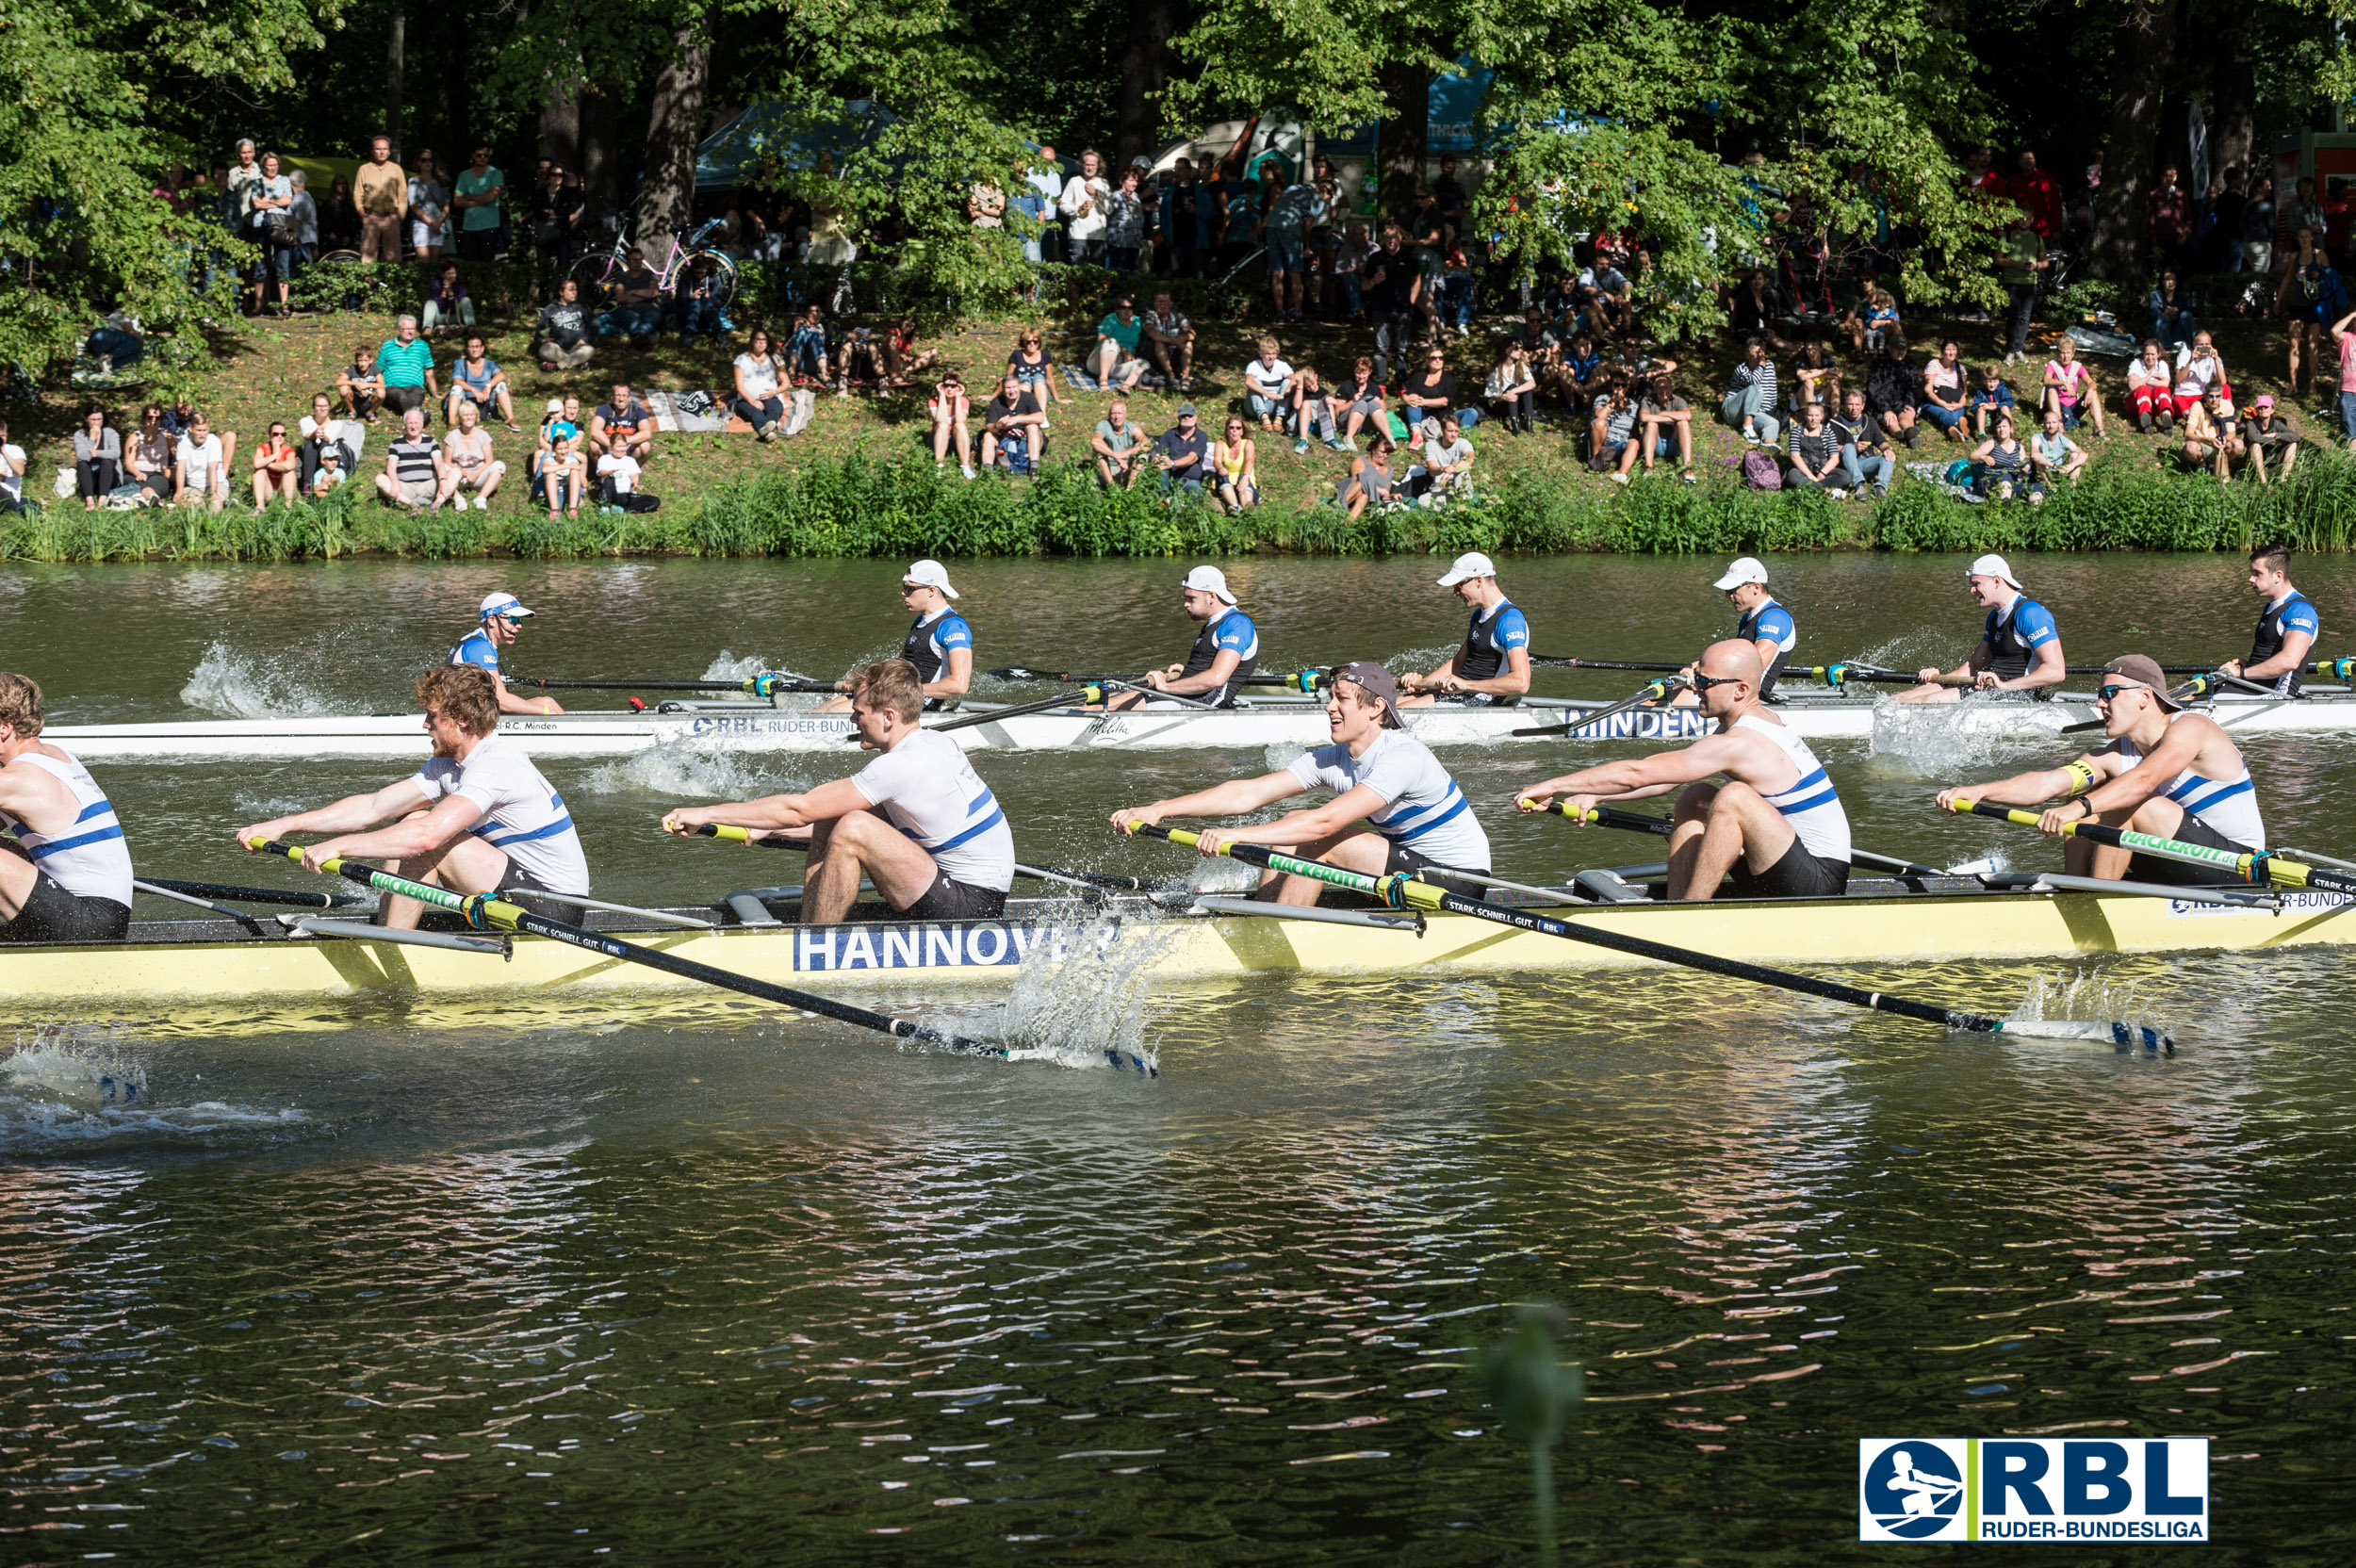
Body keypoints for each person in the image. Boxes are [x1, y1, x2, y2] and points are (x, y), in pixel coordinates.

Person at [1112, 661, 1493, 905]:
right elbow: (1248, 793)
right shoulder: (1333, 759)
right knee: (1292, 820)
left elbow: (1325, 824)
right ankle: (1266, 914)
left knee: (1318, 834)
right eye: (1330, 697)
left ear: (1376, 708)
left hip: (1456, 883)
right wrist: (1160, 808)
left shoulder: (1404, 756)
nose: (1329, 706)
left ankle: (1282, 931)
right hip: (1411, 869)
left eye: (1341, 699)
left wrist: (1237, 837)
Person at [238, 663, 587, 927]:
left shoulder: (497, 765)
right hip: (511, 893)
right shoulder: (448, 764)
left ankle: (394, 946)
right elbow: (373, 807)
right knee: (408, 818)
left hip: (552, 910)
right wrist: (283, 825)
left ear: (461, 720)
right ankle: (390, 928)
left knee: (424, 831)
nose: (425, 725)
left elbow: (426, 837)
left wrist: (338, 846)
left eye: (432, 716)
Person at [1517, 639, 1851, 900]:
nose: (1695, 688)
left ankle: (1692, 912)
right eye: (1696, 678)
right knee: (1697, 796)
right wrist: (1593, 795)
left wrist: (1553, 785)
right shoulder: (1741, 726)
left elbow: (1639, 772)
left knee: (1733, 797)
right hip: (1779, 863)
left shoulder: (1744, 741)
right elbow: (1661, 781)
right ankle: (1679, 905)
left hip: (1817, 881)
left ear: (1741, 690)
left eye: (1705, 681)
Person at [1933, 654, 2263, 890]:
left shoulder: (2192, 728)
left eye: (2109, 695)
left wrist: (2078, 808)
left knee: (2122, 800)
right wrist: (1979, 791)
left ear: (2145, 697)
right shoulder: (2116, 755)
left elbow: (2143, 781)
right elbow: (2047, 783)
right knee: (2086, 799)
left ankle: (2096, 900)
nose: (2100, 705)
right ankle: (2076, 894)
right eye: (2099, 696)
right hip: (2182, 860)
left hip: (2237, 867)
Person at [0, 673, 134, 942]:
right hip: (97, 913)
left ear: (4, 727)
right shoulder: (55, 755)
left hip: (89, 923)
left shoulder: (18, 779)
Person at [1895, 554, 2065, 703]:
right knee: (1900, 699)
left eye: (1976, 584)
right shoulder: (1994, 617)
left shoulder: (2030, 613)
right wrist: (1940, 679)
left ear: (1996, 580)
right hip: (1987, 691)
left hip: (2014, 697)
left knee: (1928, 701)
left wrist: (2004, 686)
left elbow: (2056, 671)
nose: (1972, 590)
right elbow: (1975, 665)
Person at [815, 561, 975, 716]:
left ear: (931, 591)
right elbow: (899, 665)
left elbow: (958, 685)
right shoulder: (920, 621)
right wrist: (866, 678)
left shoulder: (953, 627)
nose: (903, 593)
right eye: (904, 587)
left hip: (912, 703)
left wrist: (903, 688)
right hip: (897, 696)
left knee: (833, 713)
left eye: (909, 588)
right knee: (826, 708)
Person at [1099, 565, 1258, 713]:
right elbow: (1211, 666)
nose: (1185, 604)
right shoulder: (1215, 623)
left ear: (1211, 596)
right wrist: (1187, 673)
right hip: (1193, 697)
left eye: (1191, 599)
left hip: (1206, 703)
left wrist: (1164, 686)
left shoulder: (1238, 625)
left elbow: (1216, 679)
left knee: (1101, 709)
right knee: (1099, 702)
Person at [1399, 553, 1530, 707]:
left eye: (1458, 586)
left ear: (1478, 581)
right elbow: (1457, 664)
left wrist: (1465, 685)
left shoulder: (1509, 620)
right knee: (1386, 705)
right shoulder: (1479, 614)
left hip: (1478, 699)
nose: (1455, 593)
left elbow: (1521, 682)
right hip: (1457, 692)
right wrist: (1421, 685)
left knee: (1390, 715)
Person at [2214, 542, 2318, 697]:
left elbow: (2290, 661)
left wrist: (2240, 673)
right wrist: (2249, 666)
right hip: (2254, 686)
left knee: (2180, 705)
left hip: (2275, 695)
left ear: (2278, 576)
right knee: (2178, 695)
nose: (2250, 579)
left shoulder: (2300, 611)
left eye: (2257, 573)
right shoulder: (2272, 606)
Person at [446, 591, 562, 715]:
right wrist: (547, 712)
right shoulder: (480, 648)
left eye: (520, 620)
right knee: (547, 706)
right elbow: (502, 701)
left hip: (465, 711)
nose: (519, 626)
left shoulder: (475, 640)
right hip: (459, 719)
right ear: (492, 620)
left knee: (547, 702)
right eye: (513, 619)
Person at [377, 406, 450, 513]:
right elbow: (391, 467)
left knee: (455, 472)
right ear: (405, 425)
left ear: (422, 424)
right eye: (410, 423)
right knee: (380, 478)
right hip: (405, 487)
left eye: (416, 423)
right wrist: (395, 483)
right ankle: (412, 505)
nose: (413, 426)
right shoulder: (396, 443)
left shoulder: (431, 441)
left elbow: (439, 464)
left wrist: (442, 481)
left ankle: (436, 505)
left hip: (429, 485)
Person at [1827, 386, 1894, 497]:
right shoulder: (1835, 423)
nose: (1854, 408)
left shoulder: (1870, 421)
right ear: (1845, 406)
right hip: (1846, 463)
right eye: (1850, 404)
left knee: (1888, 457)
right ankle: (1859, 485)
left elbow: (1880, 441)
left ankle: (1880, 487)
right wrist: (1853, 447)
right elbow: (1830, 446)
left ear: (1862, 406)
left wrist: (1888, 449)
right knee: (1848, 447)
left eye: (1857, 405)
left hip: (1866, 461)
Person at [1997, 217, 2047, 361]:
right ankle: (2010, 350)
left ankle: (2019, 348)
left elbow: (2045, 262)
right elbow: (1998, 259)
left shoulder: (2037, 239)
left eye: (2027, 218)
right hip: (2012, 281)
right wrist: (2015, 264)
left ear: (2032, 220)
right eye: (2021, 218)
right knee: (2012, 316)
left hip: (2030, 282)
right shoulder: (2008, 236)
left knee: (2025, 317)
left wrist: (2035, 266)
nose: (2023, 222)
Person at [353, 135, 408, 265]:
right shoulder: (364, 169)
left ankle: (393, 284)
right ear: (373, 151)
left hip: (391, 217)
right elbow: (357, 192)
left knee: (394, 256)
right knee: (368, 256)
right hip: (371, 217)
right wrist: (361, 211)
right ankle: (368, 284)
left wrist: (400, 216)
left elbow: (403, 194)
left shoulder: (396, 169)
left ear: (389, 151)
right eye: (378, 149)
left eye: (384, 149)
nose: (382, 152)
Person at [444, 333, 515, 431]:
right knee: (456, 389)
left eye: (477, 346)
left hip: (486, 401)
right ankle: (452, 423)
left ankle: (510, 419)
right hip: (467, 402)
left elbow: (501, 375)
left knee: (501, 385)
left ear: (482, 348)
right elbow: (456, 381)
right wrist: (474, 390)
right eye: (471, 347)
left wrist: (488, 386)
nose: (474, 350)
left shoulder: (489, 363)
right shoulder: (460, 363)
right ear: (467, 349)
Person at [443, 400, 503, 512]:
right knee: (441, 467)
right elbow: (446, 461)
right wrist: (459, 470)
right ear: (460, 418)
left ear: (476, 417)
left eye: (471, 415)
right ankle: (457, 498)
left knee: (499, 466)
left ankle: (481, 498)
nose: (469, 418)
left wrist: (476, 474)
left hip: (478, 476)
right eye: (465, 415)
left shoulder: (483, 435)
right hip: (458, 477)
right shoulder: (453, 436)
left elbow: (489, 461)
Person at [981, 372, 1046, 474]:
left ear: (1019, 386)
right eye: (1008, 388)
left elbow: (1040, 417)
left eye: (1014, 387)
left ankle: (1033, 467)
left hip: (1026, 438)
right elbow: (989, 426)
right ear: (1003, 389)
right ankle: (987, 469)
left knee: (1032, 427)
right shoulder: (996, 402)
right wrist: (999, 426)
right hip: (1005, 438)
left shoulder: (1028, 397)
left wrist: (1017, 419)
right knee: (988, 435)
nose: (1012, 391)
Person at [298, 392, 362, 494]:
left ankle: (323, 483)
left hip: (328, 453)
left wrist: (323, 435)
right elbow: (307, 436)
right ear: (313, 407)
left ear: (329, 407)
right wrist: (314, 434)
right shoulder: (305, 421)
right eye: (319, 406)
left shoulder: (336, 424)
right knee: (311, 444)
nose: (322, 409)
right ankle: (307, 484)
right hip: (311, 452)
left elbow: (330, 440)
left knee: (324, 444)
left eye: (324, 406)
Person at [2038, 336, 2103, 436]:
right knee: (2051, 389)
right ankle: (2059, 426)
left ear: (2073, 354)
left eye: (2068, 353)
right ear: (2058, 354)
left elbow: (2092, 383)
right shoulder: (2053, 365)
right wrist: (2064, 383)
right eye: (2063, 353)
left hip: (2073, 407)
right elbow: (2046, 380)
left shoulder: (2077, 367)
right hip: (2057, 405)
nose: (2065, 356)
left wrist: (2090, 390)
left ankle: (2099, 429)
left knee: (2093, 392)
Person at [376, 316, 436, 420]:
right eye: (407, 329)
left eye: (412, 329)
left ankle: (412, 415)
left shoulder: (422, 346)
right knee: (401, 396)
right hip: (393, 387)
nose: (410, 332)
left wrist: (435, 394)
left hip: (415, 388)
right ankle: (420, 417)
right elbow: (378, 371)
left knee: (415, 399)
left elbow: (429, 373)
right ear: (399, 330)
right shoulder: (387, 346)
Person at [1722, 338, 1781, 445]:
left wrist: (1770, 412)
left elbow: (1771, 392)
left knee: (1773, 423)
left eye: (1762, 351)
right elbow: (1754, 382)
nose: (1760, 355)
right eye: (1756, 352)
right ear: (1747, 354)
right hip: (1733, 411)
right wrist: (1761, 366)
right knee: (1755, 388)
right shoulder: (1741, 369)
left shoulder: (1770, 366)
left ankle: (1768, 444)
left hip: (1754, 412)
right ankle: (1747, 428)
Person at [451, 145, 505, 262]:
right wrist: (482, 199)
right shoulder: (464, 175)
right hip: (469, 226)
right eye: (479, 155)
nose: (482, 158)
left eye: (485, 155)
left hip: (489, 225)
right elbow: (457, 201)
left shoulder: (495, 173)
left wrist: (469, 197)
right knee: (471, 264)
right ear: (473, 156)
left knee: (486, 264)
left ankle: (485, 281)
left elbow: (491, 197)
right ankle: (474, 281)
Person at [731, 328, 787, 441]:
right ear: (752, 341)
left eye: (764, 340)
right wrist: (752, 401)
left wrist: (775, 392)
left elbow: (786, 382)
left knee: (776, 408)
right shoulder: (742, 359)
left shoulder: (774, 358)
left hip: (770, 398)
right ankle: (767, 432)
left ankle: (765, 430)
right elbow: (739, 385)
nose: (761, 342)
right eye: (758, 340)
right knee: (756, 412)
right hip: (746, 400)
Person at [1059, 151, 1111, 267]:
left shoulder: (1103, 183)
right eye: (1087, 164)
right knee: (1077, 271)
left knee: (1097, 273)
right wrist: (1079, 208)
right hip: (1078, 235)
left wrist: (1097, 194)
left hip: (1098, 236)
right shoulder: (1074, 181)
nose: (1090, 168)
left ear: (1098, 166)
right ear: (1082, 165)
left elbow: (1110, 209)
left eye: (1093, 165)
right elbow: (1063, 206)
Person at [1865, 335, 1920, 446]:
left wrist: (1909, 403)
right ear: (1889, 348)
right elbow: (1873, 389)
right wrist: (1886, 409)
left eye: (1903, 349)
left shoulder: (1910, 364)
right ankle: (1901, 434)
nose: (1900, 352)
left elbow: (1913, 386)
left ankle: (1910, 433)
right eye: (1897, 349)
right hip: (1880, 404)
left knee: (1907, 416)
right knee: (1891, 421)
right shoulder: (1878, 364)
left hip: (1900, 403)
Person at [532, 279, 594, 374]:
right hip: (557, 348)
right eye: (571, 289)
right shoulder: (550, 308)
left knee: (589, 350)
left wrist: (585, 339)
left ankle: (556, 366)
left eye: (576, 289)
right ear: (561, 292)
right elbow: (539, 330)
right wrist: (543, 340)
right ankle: (577, 362)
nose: (574, 292)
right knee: (543, 350)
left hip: (578, 347)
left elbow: (594, 325)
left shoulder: (582, 307)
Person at [1409, 415, 1473, 503]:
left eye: (1456, 431)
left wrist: (1450, 471)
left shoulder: (1463, 443)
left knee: (1462, 471)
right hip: (1441, 488)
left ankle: (1462, 501)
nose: (1453, 435)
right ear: (1442, 430)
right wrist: (1443, 469)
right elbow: (1432, 470)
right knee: (1422, 501)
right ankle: (1452, 507)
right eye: (1450, 431)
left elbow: (1469, 459)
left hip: (1459, 486)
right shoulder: (1431, 445)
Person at [1784, 401, 1844, 494]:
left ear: (1822, 416)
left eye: (1817, 415)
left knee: (1845, 476)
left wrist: (1822, 474)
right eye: (1810, 415)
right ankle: (1823, 490)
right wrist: (1810, 476)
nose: (1813, 419)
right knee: (1793, 476)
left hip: (1823, 470)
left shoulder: (1829, 432)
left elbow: (1834, 458)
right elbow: (1795, 456)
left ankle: (1811, 487)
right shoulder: (1796, 432)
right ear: (1805, 416)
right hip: (1803, 471)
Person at [2027, 407, 2086, 501]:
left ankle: (2071, 491)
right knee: (2040, 458)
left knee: (2075, 455)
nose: (2051, 426)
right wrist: (2053, 466)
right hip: (2042, 474)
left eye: (2054, 422)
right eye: (2048, 423)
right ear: (2044, 424)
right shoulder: (2037, 437)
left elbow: (2083, 454)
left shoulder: (2062, 440)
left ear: (2059, 424)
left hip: (2059, 474)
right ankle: (2051, 488)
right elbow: (2034, 455)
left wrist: (2070, 466)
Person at [172, 413, 228, 513]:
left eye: (204, 430)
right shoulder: (184, 442)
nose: (202, 434)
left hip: (216, 484)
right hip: (194, 487)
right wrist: (179, 491)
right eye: (198, 430)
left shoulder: (214, 441)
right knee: (186, 502)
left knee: (215, 503)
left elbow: (212, 468)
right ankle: (203, 504)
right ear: (191, 429)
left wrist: (213, 492)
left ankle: (211, 518)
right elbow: (181, 468)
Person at [1399, 348, 1458, 443]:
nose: (1438, 360)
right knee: (1413, 403)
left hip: (1442, 415)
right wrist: (1407, 399)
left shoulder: (1448, 379)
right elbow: (1406, 394)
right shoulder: (1418, 377)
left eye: (1441, 358)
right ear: (1427, 361)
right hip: (1422, 413)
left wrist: (1423, 402)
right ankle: (1416, 436)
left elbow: (1445, 401)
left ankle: (1459, 433)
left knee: (1471, 413)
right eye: (1434, 358)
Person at [1151, 403, 1210, 497]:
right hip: (1169, 475)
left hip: (1190, 478)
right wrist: (1158, 461)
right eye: (1183, 415)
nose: (1186, 418)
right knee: (1160, 475)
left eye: (1189, 415)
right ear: (1178, 418)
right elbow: (1157, 454)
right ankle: (1162, 500)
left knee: (1197, 496)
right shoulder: (1169, 434)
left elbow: (1192, 458)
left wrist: (1172, 463)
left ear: (1195, 417)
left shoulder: (1200, 436)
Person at [1088, 300, 1147, 392]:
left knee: (1144, 363)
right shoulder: (1110, 319)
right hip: (1099, 363)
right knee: (1111, 342)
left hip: (1119, 366)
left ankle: (1126, 386)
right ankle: (1103, 380)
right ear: (1117, 309)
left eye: (1130, 308)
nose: (1127, 310)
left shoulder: (1138, 322)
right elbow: (1102, 338)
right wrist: (1123, 350)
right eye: (1123, 308)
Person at [1969, 412, 2030, 500]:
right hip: (1990, 483)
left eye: (2004, 426)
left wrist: (2025, 468)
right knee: (2006, 476)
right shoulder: (1992, 443)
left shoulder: (2018, 447)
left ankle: (2034, 511)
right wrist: (1983, 457)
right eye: (1998, 427)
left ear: (2011, 428)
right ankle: (2004, 507)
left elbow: (2024, 464)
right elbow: (1971, 458)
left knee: (2037, 487)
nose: (2002, 429)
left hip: (2012, 484)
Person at [2182, 388, 2240, 479]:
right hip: (2202, 445)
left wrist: (2224, 439)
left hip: (2220, 445)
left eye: (2217, 396)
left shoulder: (2227, 406)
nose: (2214, 400)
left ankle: (2215, 464)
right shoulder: (2197, 406)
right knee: (2191, 447)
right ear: (2205, 396)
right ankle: (2201, 464)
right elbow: (2188, 434)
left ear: (2221, 396)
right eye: (2211, 396)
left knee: (2238, 445)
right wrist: (2208, 440)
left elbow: (2232, 433)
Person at [1141, 291, 1195, 388]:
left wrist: (1183, 338)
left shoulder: (1178, 316)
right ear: (1154, 304)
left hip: (1174, 354)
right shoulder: (1150, 315)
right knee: (1159, 342)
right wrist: (1173, 341)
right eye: (1159, 301)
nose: (1162, 304)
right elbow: (1152, 333)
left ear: (1171, 303)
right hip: (1155, 356)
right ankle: (1171, 376)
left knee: (1189, 343)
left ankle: (1185, 377)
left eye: (1165, 301)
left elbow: (1191, 333)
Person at [2241, 395, 2299, 483]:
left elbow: (2296, 437)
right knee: (2255, 445)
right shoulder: (2251, 424)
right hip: (2255, 465)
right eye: (2260, 407)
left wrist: (2275, 435)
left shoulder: (2278, 424)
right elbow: (2254, 437)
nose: (2263, 409)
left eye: (2266, 407)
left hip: (2274, 461)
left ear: (2272, 410)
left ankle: (2283, 480)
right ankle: (2263, 483)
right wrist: (2274, 442)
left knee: (2293, 444)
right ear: (2256, 410)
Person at [71, 408, 120, 512]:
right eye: (93, 419)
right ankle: (90, 501)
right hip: (90, 477)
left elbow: (116, 453)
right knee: (82, 464)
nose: (96, 423)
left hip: (109, 475)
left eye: (99, 419)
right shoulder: (79, 435)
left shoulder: (110, 433)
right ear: (86, 419)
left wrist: (99, 453)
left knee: (107, 461)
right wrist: (92, 438)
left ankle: (102, 501)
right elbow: (82, 456)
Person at [1918, 339, 1968, 442]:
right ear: (1942, 351)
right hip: (1934, 403)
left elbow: (1964, 392)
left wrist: (1960, 405)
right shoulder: (1933, 364)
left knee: (1958, 412)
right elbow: (1928, 389)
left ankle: (1956, 430)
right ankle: (1958, 428)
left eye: (1954, 349)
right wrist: (1941, 403)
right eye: (1948, 349)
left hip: (1954, 403)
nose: (1951, 352)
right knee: (1944, 414)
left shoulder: (1960, 368)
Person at [592, 384, 653, 467]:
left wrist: (624, 442)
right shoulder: (604, 409)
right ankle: (601, 473)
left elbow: (647, 433)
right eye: (618, 395)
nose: (621, 399)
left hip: (629, 446)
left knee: (645, 446)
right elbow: (594, 431)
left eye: (624, 395)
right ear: (612, 398)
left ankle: (633, 471)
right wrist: (611, 445)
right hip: (608, 446)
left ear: (629, 398)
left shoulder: (638, 411)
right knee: (593, 445)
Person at [1338, 432, 1397, 519]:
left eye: (1387, 453)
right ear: (1373, 450)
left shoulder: (1389, 471)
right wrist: (1378, 489)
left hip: (1371, 502)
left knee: (1365, 494)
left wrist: (1392, 496)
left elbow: (1385, 494)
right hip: (1353, 494)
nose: (1385, 456)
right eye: (1382, 452)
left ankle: (1341, 517)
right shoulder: (1361, 461)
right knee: (1363, 485)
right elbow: (1357, 479)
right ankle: (1341, 515)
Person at [1485, 343, 1538, 436]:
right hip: (1501, 405)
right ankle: (1515, 423)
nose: (1520, 350)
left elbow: (1532, 383)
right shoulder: (1496, 370)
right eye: (1516, 348)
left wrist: (1513, 391)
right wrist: (1503, 396)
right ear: (1507, 350)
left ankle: (1528, 422)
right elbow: (1493, 396)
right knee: (1512, 386)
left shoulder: (1520, 365)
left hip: (1515, 402)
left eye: (1521, 348)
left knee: (1525, 388)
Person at [1287, 367, 1344, 452]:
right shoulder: (1301, 391)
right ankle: (1303, 439)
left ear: (1316, 377)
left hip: (1320, 424)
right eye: (1308, 386)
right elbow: (1296, 406)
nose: (1312, 388)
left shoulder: (1323, 392)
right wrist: (1299, 385)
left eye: (1313, 384)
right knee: (1306, 403)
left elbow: (1336, 411)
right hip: (1305, 424)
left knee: (1328, 403)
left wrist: (1334, 402)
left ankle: (1331, 437)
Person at [928, 372, 974, 478]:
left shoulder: (964, 401)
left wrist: (958, 398)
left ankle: (965, 465)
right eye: (946, 385)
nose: (950, 389)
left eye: (953, 386)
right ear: (941, 386)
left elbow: (961, 420)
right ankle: (938, 465)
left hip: (955, 439)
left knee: (960, 426)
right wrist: (942, 396)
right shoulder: (933, 401)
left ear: (958, 388)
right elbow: (940, 419)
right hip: (938, 439)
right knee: (943, 425)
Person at [1092, 400, 1147, 487]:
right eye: (1113, 413)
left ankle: (1130, 488)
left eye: (1119, 413)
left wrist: (1126, 453)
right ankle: (1112, 488)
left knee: (1142, 453)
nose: (1116, 416)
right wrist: (1116, 457)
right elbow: (1095, 441)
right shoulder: (1103, 425)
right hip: (1109, 468)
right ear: (1109, 415)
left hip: (1129, 469)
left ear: (1125, 415)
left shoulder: (1132, 427)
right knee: (1098, 453)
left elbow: (1147, 442)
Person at [1243, 337, 1295, 431]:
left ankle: (1279, 418)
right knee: (1254, 382)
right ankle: (1264, 418)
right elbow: (1248, 382)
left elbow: (1295, 380)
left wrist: (1283, 394)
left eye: (1274, 354)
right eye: (1267, 354)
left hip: (1277, 404)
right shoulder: (1253, 365)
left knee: (1288, 382)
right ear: (1261, 354)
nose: (1271, 357)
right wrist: (1267, 393)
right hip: (1256, 406)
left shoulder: (1282, 365)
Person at [1211, 416, 1260, 514]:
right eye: (1231, 427)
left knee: (1242, 477)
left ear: (1242, 432)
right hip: (1227, 485)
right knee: (1222, 475)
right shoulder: (1221, 444)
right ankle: (1235, 507)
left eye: (1238, 428)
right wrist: (1220, 467)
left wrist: (1245, 478)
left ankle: (1247, 507)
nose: (1234, 430)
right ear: (1227, 430)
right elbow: (1217, 461)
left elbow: (1250, 460)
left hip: (1245, 484)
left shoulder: (1247, 443)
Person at [125, 405, 174, 502]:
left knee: (161, 484)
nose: (153, 420)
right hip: (136, 473)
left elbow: (177, 455)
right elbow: (128, 463)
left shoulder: (166, 436)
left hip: (157, 473)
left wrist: (174, 442)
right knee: (134, 483)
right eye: (150, 417)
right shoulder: (135, 437)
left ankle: (148, 498)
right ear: (144, 419)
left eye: (157, 418)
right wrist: (137, 473)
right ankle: (151, 498)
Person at [1333, 356, 1385, 449]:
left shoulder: (1374, 387)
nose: (1361, 377)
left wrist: (1379, 403)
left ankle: (1388, 437)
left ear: (1369, 372)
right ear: (1354, 371)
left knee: (1372, 404)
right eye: (1358, 373)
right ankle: (1348, 437)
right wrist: (1352, 402)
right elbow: (1336, 411)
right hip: (1346, 422)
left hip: (1366, 424)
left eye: (1364, 373)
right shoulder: (1346, 386)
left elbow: (1384, 410)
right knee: (1361, 404)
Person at [406, 150, 450, 261]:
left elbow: (446, 204)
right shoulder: (413, 181)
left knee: (434, 261)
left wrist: (438, 222)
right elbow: (413, 205)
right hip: (421, 224)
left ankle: (434, 279)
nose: (427, 162)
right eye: (424, 160)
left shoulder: (441, 181)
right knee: (424, 260)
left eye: (430, 160)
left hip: (439, 224)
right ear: (418, 163)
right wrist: (431, 223)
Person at [248, 419, 299, 512]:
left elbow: (289, 466)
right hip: (268, 491)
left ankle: (288, 507)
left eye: (283, 434)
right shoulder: (262, 448)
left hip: (282, 490)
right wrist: (275, 454)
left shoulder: (289, 451)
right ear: (270, 434)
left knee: (289, 472)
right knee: (258, 471)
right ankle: (260, 507)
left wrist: (268, 464)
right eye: (276, 434)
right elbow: (257, 464)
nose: (280, 437)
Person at [2125, 338, 2174, 433]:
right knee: (2143, 389)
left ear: (2158, 355)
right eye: (2147, 354)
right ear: (2143, 354)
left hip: (2154, 405)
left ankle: (2166, 416)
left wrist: (2142, 380)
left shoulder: (2162, 365)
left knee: (2162, 389)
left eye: (2153, 354)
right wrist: (2151, 376)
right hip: (2135, 405)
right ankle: (2145, 419)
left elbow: (2165, 384)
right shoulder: (2136, 363)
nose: (2149, 357)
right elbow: (2132, 385)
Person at [541, 421, 587, 519]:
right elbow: (545, 469)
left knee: (574, 472)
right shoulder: (549, 461)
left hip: (570, 495)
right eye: (560, 449)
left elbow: (585, 484)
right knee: (551, 474)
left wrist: (578, 470)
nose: (563, 452)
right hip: (555, 495)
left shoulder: (572, 461)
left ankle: (573, 510)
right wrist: (566, 466)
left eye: (566, 448)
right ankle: (555, 511)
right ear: (554, 450)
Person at [2150, 269, 2199, 349]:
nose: (2170, 282)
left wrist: (2177, 310)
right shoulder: (2155, 294)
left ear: (2176, 281)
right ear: (2162, 282)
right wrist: (2165, 311)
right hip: (2159, 334)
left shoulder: (2181, 295)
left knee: (2186, 314)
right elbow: (2154, 309)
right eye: (2167, 279)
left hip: (2177, 332)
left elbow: (2188, 309)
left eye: (2173, 279)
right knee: (2163, 317)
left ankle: (2197, 345)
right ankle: (2165, 350)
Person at [1965, 363, 2017, 437]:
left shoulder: (2002, 390)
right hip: (1987, 420)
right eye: (1989, 381)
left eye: (1994, 381)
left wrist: (1996, 406)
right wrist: (1984, 405)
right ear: (1984, 381)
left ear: (1998, 381)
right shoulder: (1980, 392)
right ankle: (1981, 434)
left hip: (1999, 419)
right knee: (1981, 408)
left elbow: (2010, 401)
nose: (1992, 385)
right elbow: (1973, 408)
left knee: (2005, 407)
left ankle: (2011, 433)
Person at [338, 341, 385, 422]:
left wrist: (367, 385)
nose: (362, 364)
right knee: (343, 389)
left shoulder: (374, 368)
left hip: (370, 400)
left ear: (371, 360)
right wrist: (357, 384)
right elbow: (339, 382)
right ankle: (352, 412)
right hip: (355, 400)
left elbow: (382, 385)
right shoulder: (353, 369)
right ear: (356, 361)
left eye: (365, 360)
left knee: (381, 392)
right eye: (360, 360)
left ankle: (370, 413)